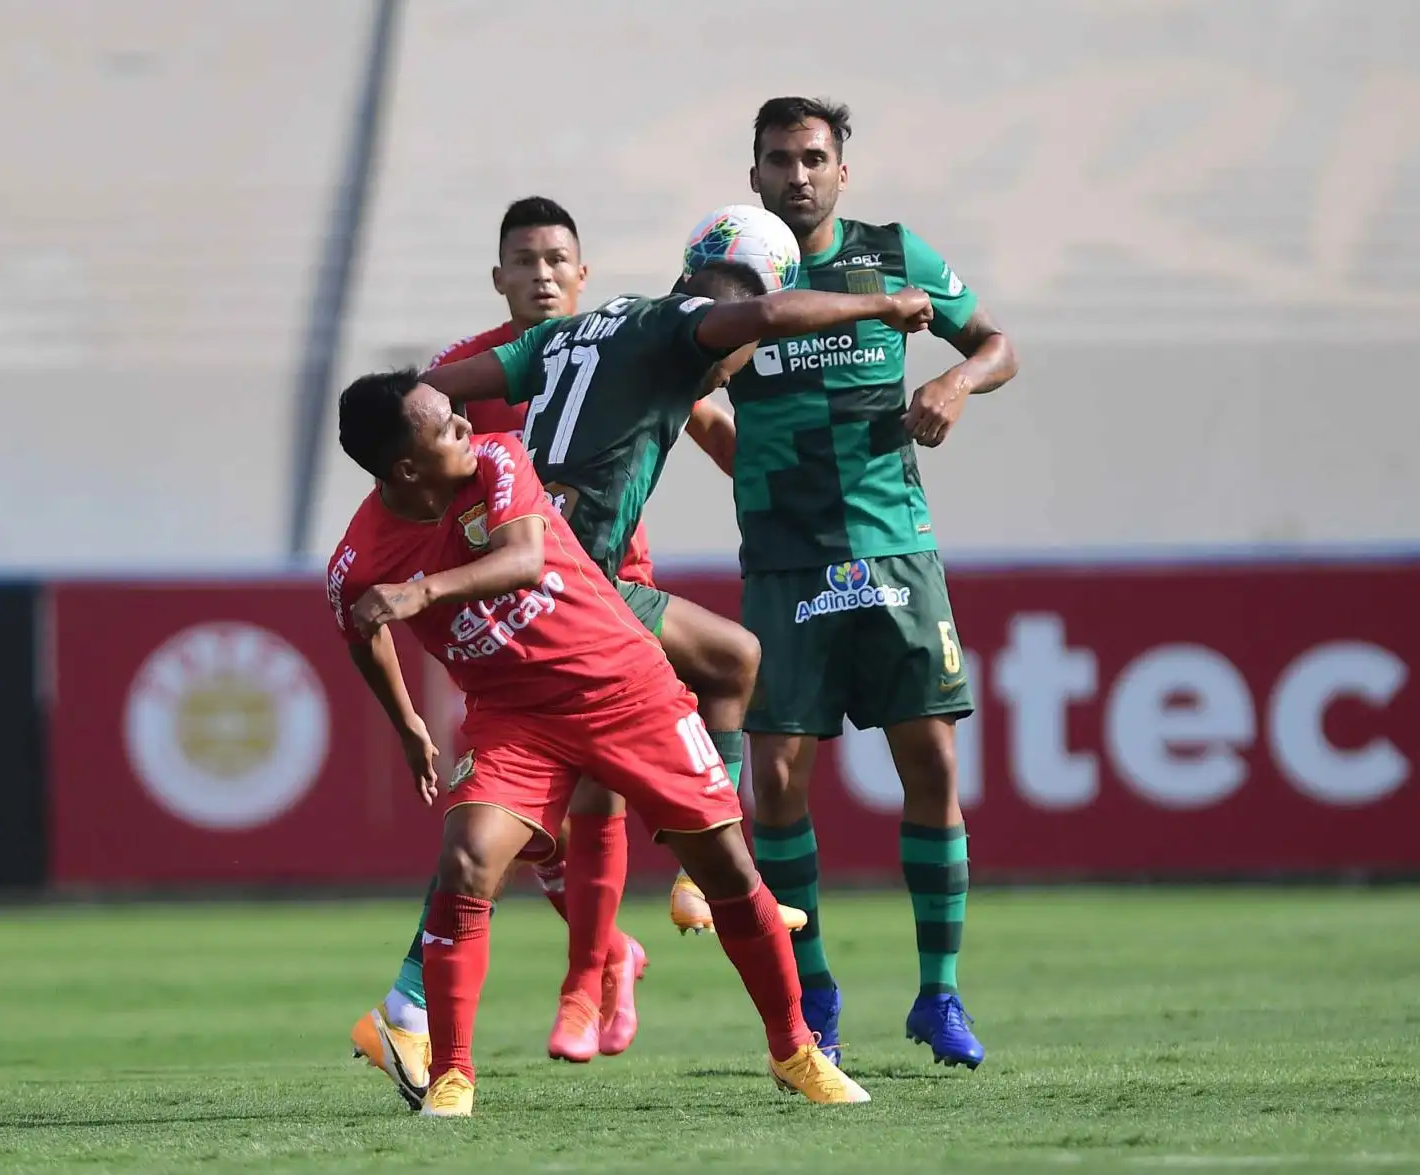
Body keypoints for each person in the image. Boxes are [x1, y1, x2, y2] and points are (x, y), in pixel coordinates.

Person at [328, 368, 874, 1115]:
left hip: (625, 687)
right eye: (445, 426)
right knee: (465, 861)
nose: (466, 426)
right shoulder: (357, 559)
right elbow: (361, 628)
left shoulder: (495, 460)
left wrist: (422, 592)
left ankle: (795, 1052)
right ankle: (452, 1075)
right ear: (407, 469)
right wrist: (408, 724)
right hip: (514, 718)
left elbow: (523, 560)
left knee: (727, 867)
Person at [348, 198, 787, 1102]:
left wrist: (782, 489)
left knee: (696, 695)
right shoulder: (462, 385)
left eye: (559, 260)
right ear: (499, 279)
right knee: (542, 817)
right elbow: (409, 455)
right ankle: (577, 974)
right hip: (532, 598)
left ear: (583, 275)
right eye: (525, 260)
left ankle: (577, 977)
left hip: (605, 585)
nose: (543, 274)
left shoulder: (616, 342)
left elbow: (702, 421)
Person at [700, 96, 1019, 1070]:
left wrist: (951, 387)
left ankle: (940, 995)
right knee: (781, 786)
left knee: (931, 762)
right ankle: (817, 987)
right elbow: (676, 394)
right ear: (752, 174)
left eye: (813, 158)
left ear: (844, 171)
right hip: (787, 563)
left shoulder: (895, 254)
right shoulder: (723, 273)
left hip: (893, 550)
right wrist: (753, 467)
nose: (797, 176)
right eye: (778, 161)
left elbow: (997, 345)